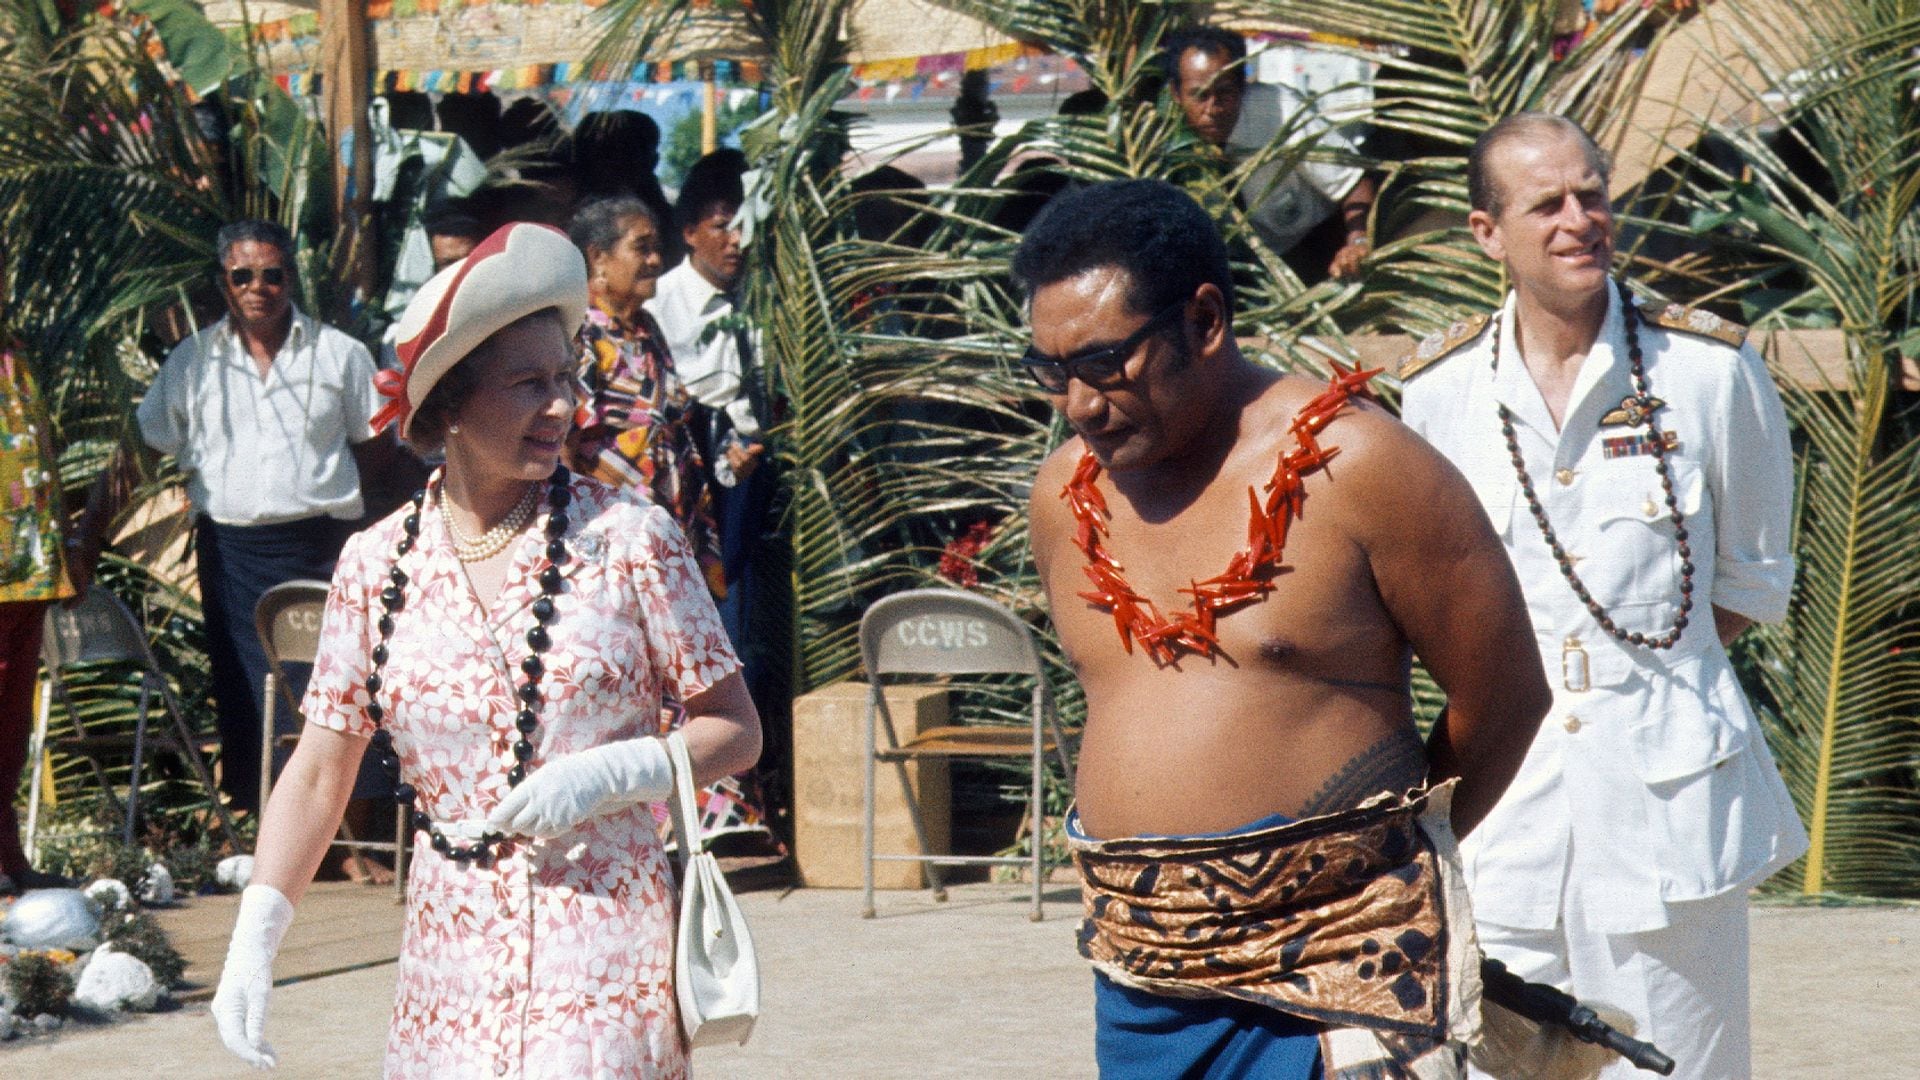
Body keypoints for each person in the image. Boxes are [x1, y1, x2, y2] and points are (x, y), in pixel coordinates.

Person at [1019, 178, 1550, 1077]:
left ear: (1206, 321)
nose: (1078, 402)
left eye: (1107, 362)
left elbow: (1504, 695)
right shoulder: (1063, 498)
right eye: (1051, 371)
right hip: (1141, 991)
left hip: (1346, 967)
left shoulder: (1362, 465)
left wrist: (1366, 856)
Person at [211, 222, 761, 1076]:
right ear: (451, 409)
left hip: (604, 955)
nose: (561, 406)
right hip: (448, 968)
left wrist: (613, 775)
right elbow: (321, 768)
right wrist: (256, 933)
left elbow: (735, 727)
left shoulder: (629, 538)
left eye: (565, 379)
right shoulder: (375, 565)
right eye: (527, 384)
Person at [1397, 112, 1808, 1080]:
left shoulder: (1709, 375)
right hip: (1508, 813)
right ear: (1487, 232)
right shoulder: (1440, 394)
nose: (1580, 219)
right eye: (1548, 203)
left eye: (1594, 194)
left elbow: (1745, 587)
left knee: (1684, 1065)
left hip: (1669, 807)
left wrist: (1634, 675)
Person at [136, 220, 382, 817]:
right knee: (251, 695)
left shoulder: (339, 353)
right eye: (242, 275)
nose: (258, 288)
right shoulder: (192, 361)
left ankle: (353, 832)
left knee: (342, 687)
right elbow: (146, 440)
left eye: (272, 274)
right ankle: (273, 828)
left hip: (327, 544)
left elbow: (377, 448)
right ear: (224, 284)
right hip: (233, 555)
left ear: (290, 278)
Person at [0, 249, 112, 895]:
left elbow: (41, 458)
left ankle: (8, 860)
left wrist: (70, 547)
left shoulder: (17, 355)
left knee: (9, 733)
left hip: (28, 576)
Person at [645, 152, 772, 668]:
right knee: (721, 628)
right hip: (706, 493)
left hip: (765, 476)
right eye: (722, 227)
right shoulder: (660, 309)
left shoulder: (764, 294)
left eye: (744, 226)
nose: (736, 241)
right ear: (690, 231)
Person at [1164, 26, 1378, 285]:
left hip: (1325, 243)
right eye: (1199, 95)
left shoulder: (1279, 111)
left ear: (1242, 86)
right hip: (1248, 273)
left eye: (1225, 93)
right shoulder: (1165, 142)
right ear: (1176, 93)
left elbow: (1354, 179)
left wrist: (1358, 241)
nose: (1213, 108)